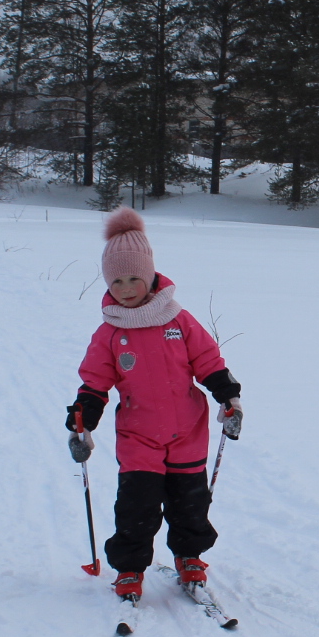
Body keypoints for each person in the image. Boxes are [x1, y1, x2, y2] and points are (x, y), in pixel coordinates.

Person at [65, 208, 241, 604]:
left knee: (190, 505)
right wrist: (82, 420)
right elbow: (94, 383)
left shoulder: (179, 321)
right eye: (116, 280)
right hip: (138, 435)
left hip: (188, 434)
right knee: (136, 508)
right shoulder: (110, 332)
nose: (126, 288)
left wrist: (228, 397)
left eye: (133, 278)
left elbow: (209, 363)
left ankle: (189, 556)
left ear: (149, 275)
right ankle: (129, 568)